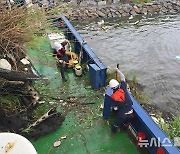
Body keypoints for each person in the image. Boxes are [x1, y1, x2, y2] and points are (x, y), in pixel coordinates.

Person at [109, 68, 133, 133]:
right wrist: (118, 70)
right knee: (126, 123)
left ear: (111, 88)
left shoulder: (113, 97)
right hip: (131, 112)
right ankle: (124, 128)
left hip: (123, 115)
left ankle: (113, 132)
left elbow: (115, 108)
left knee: (116, 124)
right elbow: (122, 77)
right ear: (118, 85)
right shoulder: (123, 87)